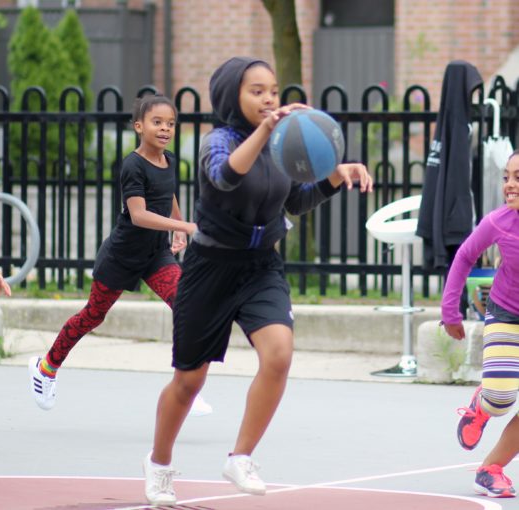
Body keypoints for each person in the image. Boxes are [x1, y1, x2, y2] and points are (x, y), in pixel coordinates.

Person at [142, 56, 373, 506]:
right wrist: (267, 131)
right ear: (233, 96)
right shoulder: (217, 142)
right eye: (257, 90)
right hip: (211, 269)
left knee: (279, 354)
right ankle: (159, 464)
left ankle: (241, 457)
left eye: (274, 90)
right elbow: (226, 177)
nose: (270, 98)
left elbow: (296, 203)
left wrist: (334, 174)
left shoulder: (284, 145)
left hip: (261, 266)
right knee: (189, 382)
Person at [27, 94, 212, 417]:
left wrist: (178, 228)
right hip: (121, 256)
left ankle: (185, 387)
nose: (165, 129)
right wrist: (186, 224)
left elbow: (165, 194)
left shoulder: (167, 161)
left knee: (189, 306)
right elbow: (139, 214)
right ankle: (46, 368)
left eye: (170, 123)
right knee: (93, 316)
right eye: (157, 122)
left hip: (156, 256)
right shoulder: (132, 165)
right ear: (139, 126)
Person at [441, 149, 519, 498]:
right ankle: (482, 407)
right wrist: (450, 311)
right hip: (507, 313)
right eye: (507, 177)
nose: (509, 186)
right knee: (502, 398)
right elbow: (465, 256)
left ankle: (491, 469)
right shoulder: (499, 222)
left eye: (518, 178)